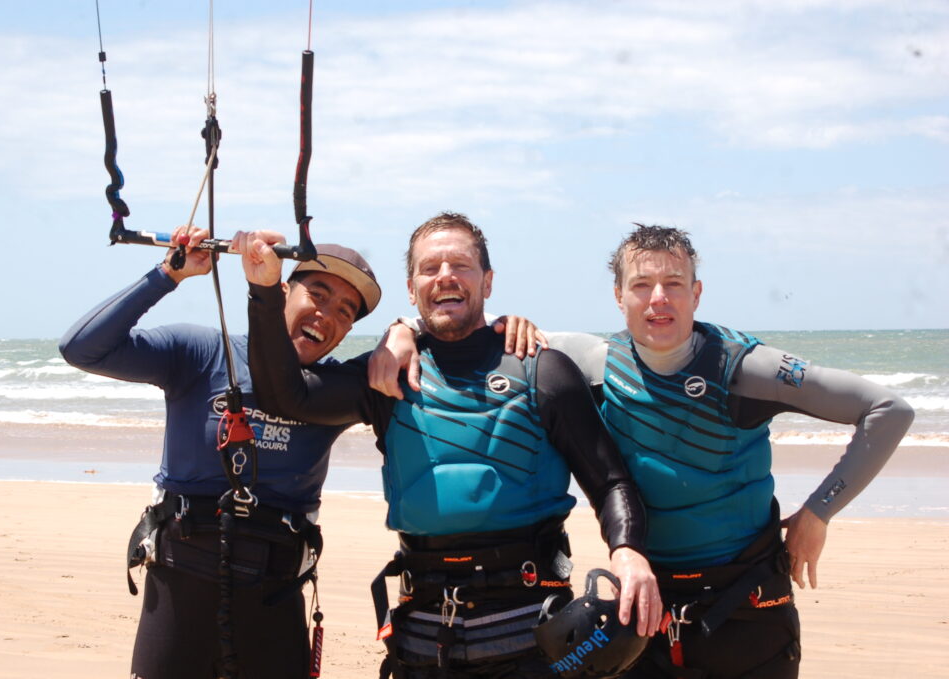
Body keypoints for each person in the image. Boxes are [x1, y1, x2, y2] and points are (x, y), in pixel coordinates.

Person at [375, 223, 915, 679]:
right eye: (642, 284)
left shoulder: (744, 368)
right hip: (641, 607)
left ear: (696, 293)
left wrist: (819, 512)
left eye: (673, 283)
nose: (658, 298)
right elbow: (465, 330)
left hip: (745, 605)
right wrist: (400, 330)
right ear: (619, 296)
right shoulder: (590, 359)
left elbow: (888, 409)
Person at [240, 213, 662, 679]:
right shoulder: (387, 375)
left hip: (531, 639)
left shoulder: (543, 370)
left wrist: (628, 551)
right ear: (411, 287)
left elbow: (610, 482)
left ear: (487, 280)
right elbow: (284, 395)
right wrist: (263, 291)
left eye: (460, 265)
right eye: (429, 268)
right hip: (420, 641)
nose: (445, 276)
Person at [59, 226, 382, 679]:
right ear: (283, 289)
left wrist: (405, 332)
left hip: (274, 593)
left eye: (345, 311)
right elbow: (81, 348)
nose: (326, 314)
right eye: (318, 293)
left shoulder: (338, 389)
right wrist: (168, 274)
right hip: (180, 582)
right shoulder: (202, 352)